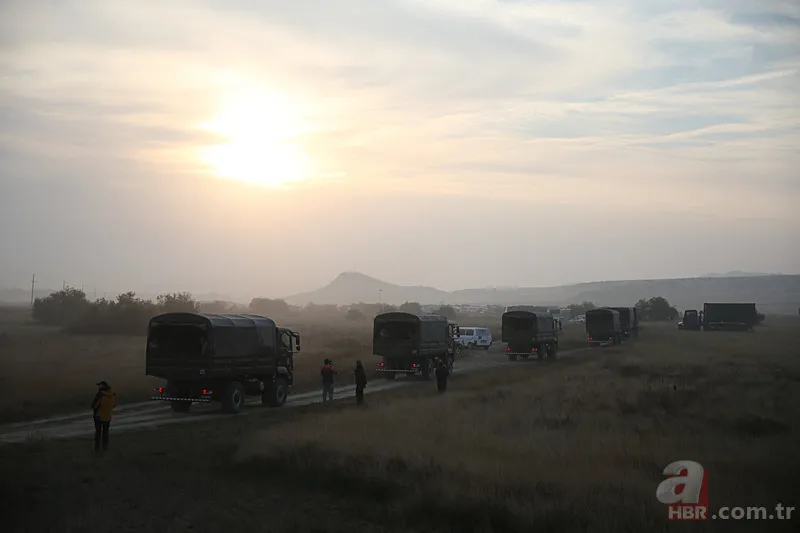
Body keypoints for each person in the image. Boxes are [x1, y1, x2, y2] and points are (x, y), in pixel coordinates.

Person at [91, 380, 117, 452]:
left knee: (98, 433)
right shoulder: (112, 394)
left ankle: (97, 448)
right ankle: (105, 448)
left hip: (98, 416)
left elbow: (94, 406)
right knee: (105, 433)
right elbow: (114, 405)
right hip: (108, 416)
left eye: (99, 385)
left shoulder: (100, 395)